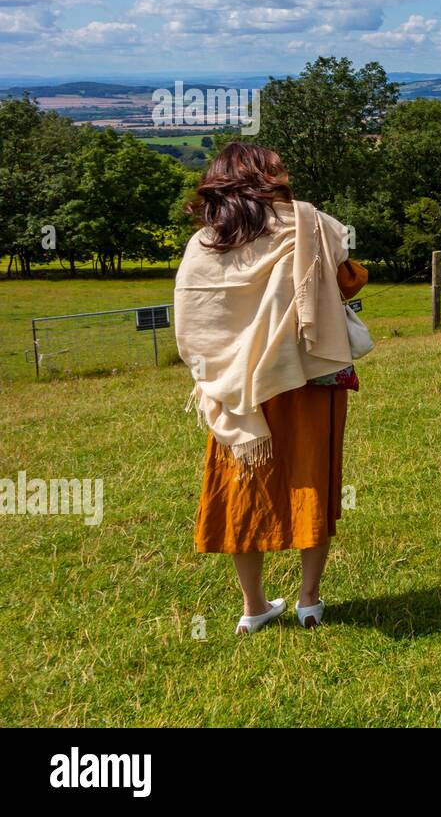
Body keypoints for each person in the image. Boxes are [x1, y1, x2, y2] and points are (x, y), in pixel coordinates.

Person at [175, 142, 367, 635]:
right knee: (310, 481)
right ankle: (308, 600)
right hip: (307, 377)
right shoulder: (311, 222)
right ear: (267, 177)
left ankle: (253, 606)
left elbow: (197, 318)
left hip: (238, 387)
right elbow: (347, 281)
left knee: (242, 490)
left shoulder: (205, 244)